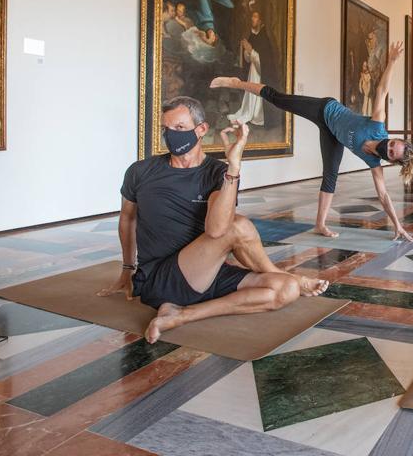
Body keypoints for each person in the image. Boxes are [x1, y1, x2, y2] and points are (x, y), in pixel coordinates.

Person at [98, 96, 329, 344]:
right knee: (239, 226)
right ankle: (287, 274)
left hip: (207, 272)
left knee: (286, 290)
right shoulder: (140, 171)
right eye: (167, 129)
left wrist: (233, 166)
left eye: (180, 128)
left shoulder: (217, 172)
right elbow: (127, 219)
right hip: (161, 277)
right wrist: (127, 269)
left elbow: (216, 227)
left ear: (201, 129)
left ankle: (181, 314)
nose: (171, 135)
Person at [211, 41, 413, 241]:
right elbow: (382, 91)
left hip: (333, 135)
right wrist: (392, 61)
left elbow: (383, 196)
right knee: (278, 99)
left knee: (330, 176)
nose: (387, 146)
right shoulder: (377, 127)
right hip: (324, 109)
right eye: (392, 143)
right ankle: (236, 82)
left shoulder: (374, 163)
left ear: (390, 160)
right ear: (392, 139)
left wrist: (398, 226)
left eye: (391, 152)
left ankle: (320, 224)